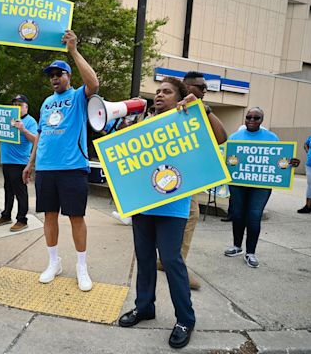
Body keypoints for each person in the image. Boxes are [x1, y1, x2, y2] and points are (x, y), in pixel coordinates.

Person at [118, 77, 196, 349]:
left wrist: (201, 109)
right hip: (143, 204)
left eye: (167, 91)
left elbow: (219, 137)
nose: (159, 95)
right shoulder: (144, 123)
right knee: (144, 257)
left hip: (173, 207)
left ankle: (186, 319)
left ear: (180, 96)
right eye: (158, 91)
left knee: (172, 260)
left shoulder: (190, 118)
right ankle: (144, 307)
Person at [22, 30, 99, 292]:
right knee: (49, 217)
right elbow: (41, 134)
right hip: (46, 169)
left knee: (76, 217)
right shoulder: (45, 103)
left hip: (72, 168)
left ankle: (81, 266)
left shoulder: (78, 96)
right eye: (52, 76)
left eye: (60, 74)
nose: (55, 79)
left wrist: (74, 51)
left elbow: (94, 84)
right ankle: (54, 262)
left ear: (68, 76)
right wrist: (31, 163)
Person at [157, 72, 227, 291]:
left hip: (184, 180)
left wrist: (204, 109)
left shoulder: (195, 112)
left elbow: (221, 137)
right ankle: (173, 264)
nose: (204, 91)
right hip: (162, 179)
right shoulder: (163, 112)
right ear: (187, 88)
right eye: (200, 87)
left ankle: (174, 263)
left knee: (190, 216)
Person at [224, 107, 299, 268]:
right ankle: (237, 246)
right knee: (237, 214)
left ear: (262, 120)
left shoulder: (272, 138)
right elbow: (227, 159)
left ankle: (250, 252)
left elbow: (280, 161)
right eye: (248, 117)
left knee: (254, 216)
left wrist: (291, 163)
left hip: (261, 184)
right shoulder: (234, 137)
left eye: (256, 118)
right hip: (238, 183)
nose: (251, 120)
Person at [0, 94, 38, 231]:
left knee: (20, 192)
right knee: (8, 190)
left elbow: (36, 140)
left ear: (26, 107)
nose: (16, 107)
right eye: (14, 104)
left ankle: (22, 219)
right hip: (6, 160)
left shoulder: (30, 121)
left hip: (19, 162)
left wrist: (23, 129)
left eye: (20, 104)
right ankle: (6, 215)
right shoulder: (9, 119)